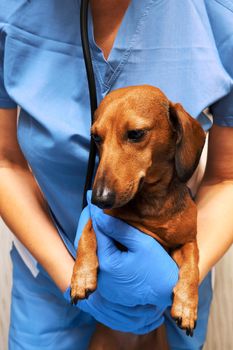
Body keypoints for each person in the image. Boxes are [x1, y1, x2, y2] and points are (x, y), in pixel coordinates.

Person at [0, 0, 233, 349]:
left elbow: (226, 178)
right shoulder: (11, 11)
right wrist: (68, 274)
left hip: (169, 273)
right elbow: (5, 162)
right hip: (50, 278)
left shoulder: (219, 14)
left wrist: (173, 281)